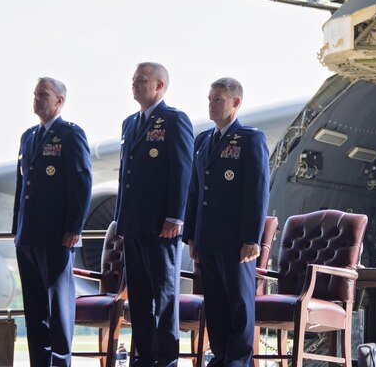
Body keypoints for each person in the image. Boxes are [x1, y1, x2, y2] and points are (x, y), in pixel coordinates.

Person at [184, 77, 270, 367]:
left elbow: (257, 191)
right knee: (217, 304)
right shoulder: (203, 140)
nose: (211, 105)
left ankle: (238, 360)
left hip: (235, 240)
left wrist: (251, 238)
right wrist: (192, 236)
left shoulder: (250, 139)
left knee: (239, 303)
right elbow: (194, 190)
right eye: (209, 99)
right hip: (207, 238)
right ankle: (220, 357)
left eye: (217, 100)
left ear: (235, 102)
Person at [114, 62, 193, 367]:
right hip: (134, 223)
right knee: (140, 297)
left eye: (142, 80)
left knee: (164, 295)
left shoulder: (174, 120)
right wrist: (121, 218)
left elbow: (182, 170)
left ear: (160, 85)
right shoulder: (130, 123)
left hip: (162, 225)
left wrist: (176, 216)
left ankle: (166, 358)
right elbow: (127, 176)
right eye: (133, 80)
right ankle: (144, 357)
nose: (134, 84)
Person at [12, 77, 92, 366]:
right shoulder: (28, 137)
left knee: (57, 306)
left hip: (57, 235)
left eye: (43, 94)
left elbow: (81, 181)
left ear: (59, 101)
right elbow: (22, 188)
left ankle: (60, 361)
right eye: (35, 94)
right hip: (28, 236)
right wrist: (16, 230)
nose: (36, 99)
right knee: (34, 308)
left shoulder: (70, 135)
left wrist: (74, 227)